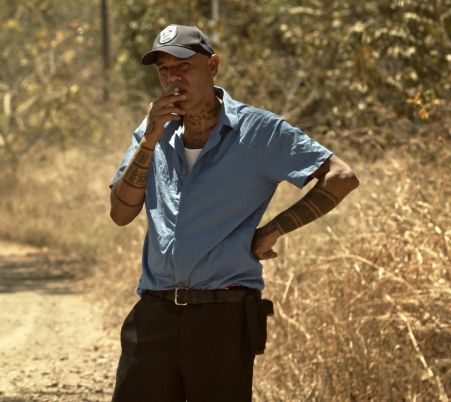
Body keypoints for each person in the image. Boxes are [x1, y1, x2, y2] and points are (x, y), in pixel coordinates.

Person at [107, 24, 359, 401]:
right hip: (154, 314)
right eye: (164, 70)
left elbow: (341, 177)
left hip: (222, 317)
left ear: (213, 66)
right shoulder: (152, 131)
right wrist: (149, 140)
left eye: (184, 66)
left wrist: (275, 228)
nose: (174, 78)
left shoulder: (260, 131)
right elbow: (120, 214)